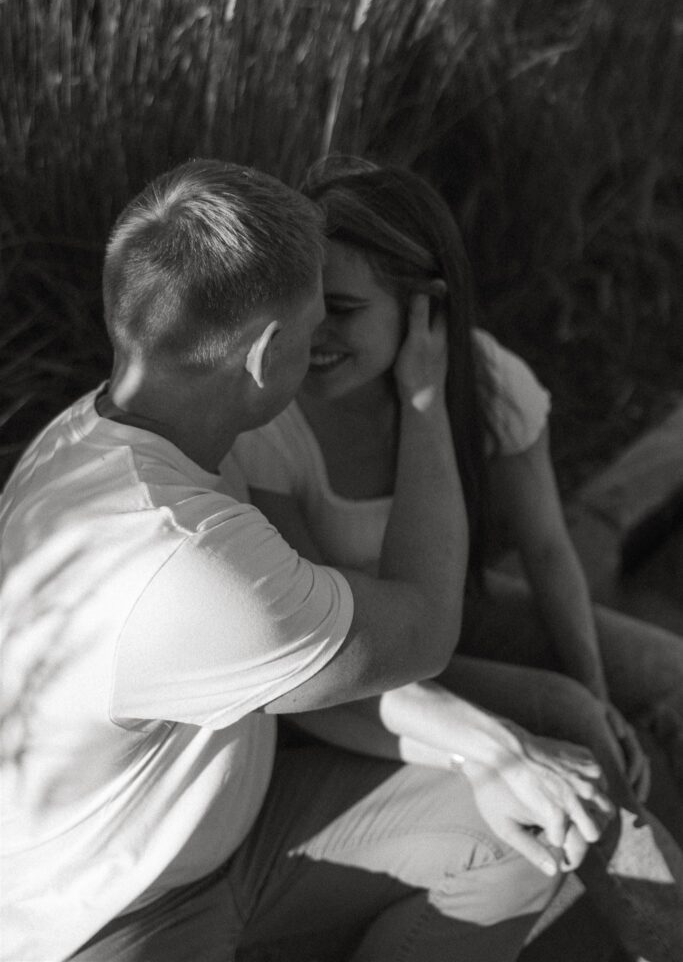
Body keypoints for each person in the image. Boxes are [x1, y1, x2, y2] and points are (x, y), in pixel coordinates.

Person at [0, 158, 620, 962]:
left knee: (512, 833)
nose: (324, 338)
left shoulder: (95, 440)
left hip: (237, 841)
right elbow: (424, 628)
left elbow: (312, 676)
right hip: (110, 923)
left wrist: (494, 753)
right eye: (313, 318)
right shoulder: (188, 560)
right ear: (264, 357)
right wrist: (425, 404)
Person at [227, 156, 683, 960]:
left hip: (454, 612)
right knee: (569, 720)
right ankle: (657, 933)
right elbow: (320, 656)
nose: (314, 335)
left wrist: (597, 685)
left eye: (341, 309)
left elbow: (547, 549)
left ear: (423, 307)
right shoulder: (275, 423)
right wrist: (580, 708)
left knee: (661, 677)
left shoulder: (488, 381)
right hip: (370, 668)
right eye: (302, 307)